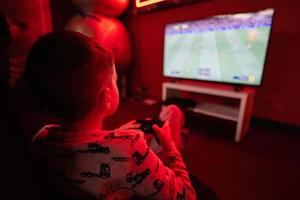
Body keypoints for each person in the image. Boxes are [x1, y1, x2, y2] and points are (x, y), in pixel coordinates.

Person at [26, 31, 196, 199]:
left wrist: (114, 134)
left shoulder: (41, 139)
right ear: (107, 97)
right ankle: (178, 135)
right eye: (114, 80)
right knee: (173, 112)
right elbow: (187, 196)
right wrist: (170, 148)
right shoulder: (130, 146)